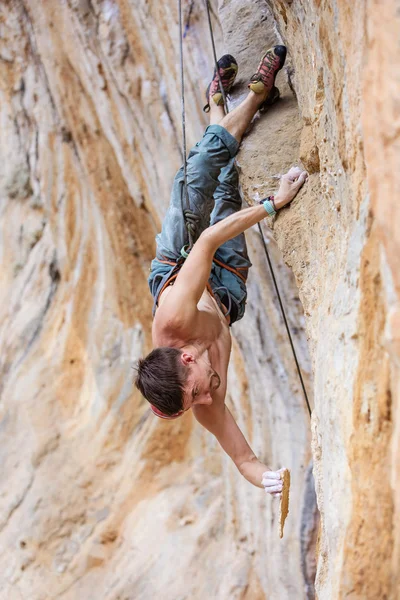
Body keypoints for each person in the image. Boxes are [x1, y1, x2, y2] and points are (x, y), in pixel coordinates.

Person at [135, 46, 308, 497]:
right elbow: (243, 459)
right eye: (197, 401)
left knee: (197, 173)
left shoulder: (174, 317)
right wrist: (268, 479)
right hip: (226, 291)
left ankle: (253, 98)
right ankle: (216, 103)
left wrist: (274, 203)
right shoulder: (205, 405)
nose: (208, 400)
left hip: (179, 262)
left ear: (186, 357)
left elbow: (208, 240)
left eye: (195, 393)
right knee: (228, 178)